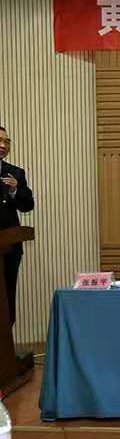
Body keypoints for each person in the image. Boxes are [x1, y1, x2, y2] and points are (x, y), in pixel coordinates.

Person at [0, 126, 34, 328]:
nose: (3, 145)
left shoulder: (15, 172)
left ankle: (6, 342)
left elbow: (28, 205)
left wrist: (15, 189)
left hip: (9, 248)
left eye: (7, 141)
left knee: (7, 295)